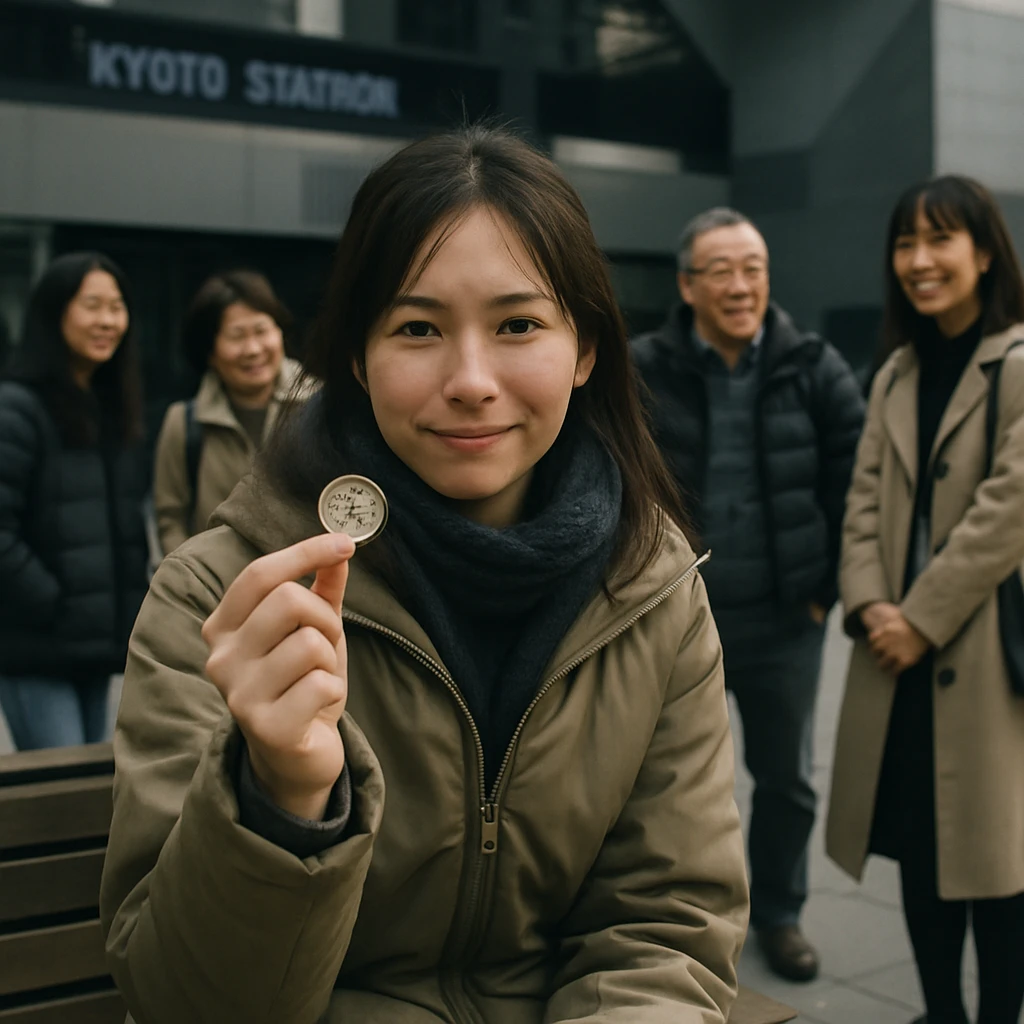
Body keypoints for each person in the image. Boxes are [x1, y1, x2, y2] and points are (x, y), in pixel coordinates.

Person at [99, 126, 750, 1024]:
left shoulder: (656, 591)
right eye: (418, 328)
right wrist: (281, 800)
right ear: (358, 359)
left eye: (519, 324)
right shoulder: (217, 599)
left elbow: (663, 927)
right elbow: (182, 1001)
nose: (471, 380)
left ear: (587, 347)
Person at [632, 208, 865, 982]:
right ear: (687, 285)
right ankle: (667, 921)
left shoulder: (812, 363)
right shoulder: (644, 368)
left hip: (783, 618)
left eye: (754, 268)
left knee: (787, 780)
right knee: (661, 781)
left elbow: (857, 484)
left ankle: (780, 915)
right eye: (723, 270)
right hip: (671, 618)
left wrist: (822, 592)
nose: (742, 286)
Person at [827, 176, 1024, 1024]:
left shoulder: (1017, 362)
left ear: (983, 254)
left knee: (995, 855)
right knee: (915, 839)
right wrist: (873, 607)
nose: (919, 260)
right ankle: (941, 1012)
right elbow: (863, 500)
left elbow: (1009, 508)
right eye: (906, 243)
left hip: (980, 655)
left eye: (939, 240)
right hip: (893, 650)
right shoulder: (898, 370)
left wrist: (921, 619)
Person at [0, 252, 148, 750]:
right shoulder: (17, 407)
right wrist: (52, 601)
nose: (109, 320)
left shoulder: (109, 407)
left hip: (91, 649)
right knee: (56, 805)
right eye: (93, 305)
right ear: (54, 312)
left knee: (89, 796)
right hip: (36, 647)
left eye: (117, 306)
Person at [152, 269, 301, 555]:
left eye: (261, 331)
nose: (253, 349)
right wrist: (191, 587)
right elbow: (170, 518)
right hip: (218, 594)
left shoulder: (321, 409)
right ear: (210, 352)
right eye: (236, 336)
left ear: (279, 332)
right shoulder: (185, 422)